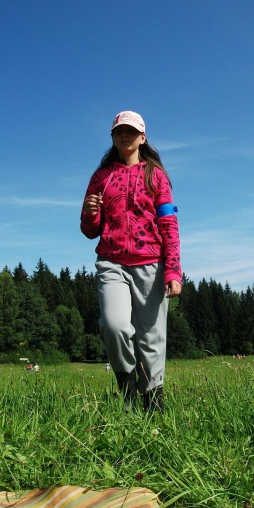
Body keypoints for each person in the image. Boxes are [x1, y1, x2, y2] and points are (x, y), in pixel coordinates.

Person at [80, 110, 182, 413]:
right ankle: (127, 386)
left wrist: (173, 270)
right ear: (113, 137)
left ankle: (152, 402)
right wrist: (91, 213)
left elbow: (169, 224)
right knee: (114, 326)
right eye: (119, 131)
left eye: (131, 131)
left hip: (151, 262)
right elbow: (89, 230)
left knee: (151, 338)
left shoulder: (156, 175)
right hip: (111, 263)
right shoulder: (101, 177)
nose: (125, 135)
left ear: (143, 137)